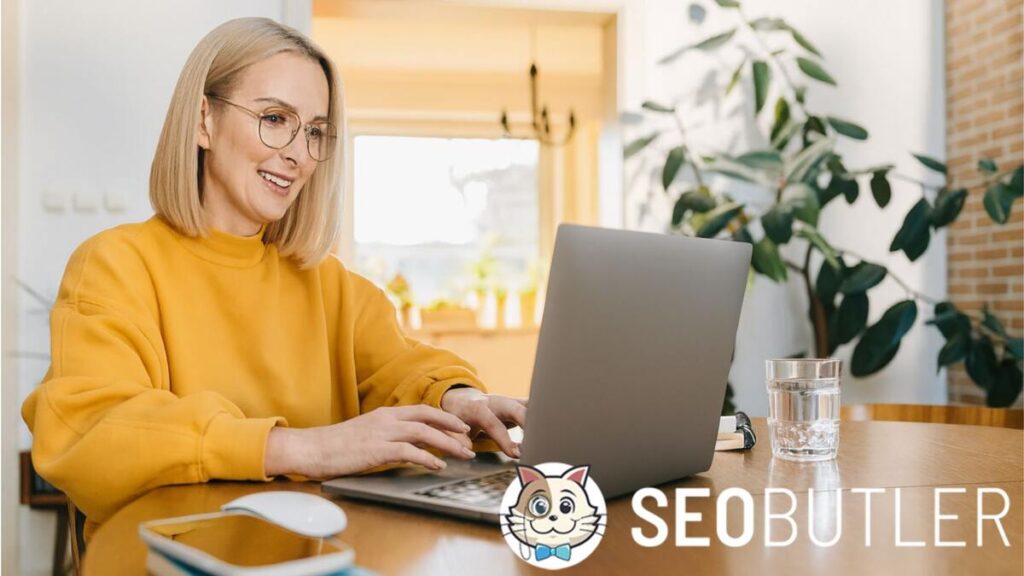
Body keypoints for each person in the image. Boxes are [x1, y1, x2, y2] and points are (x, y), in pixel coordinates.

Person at [21, 17, 527, 533]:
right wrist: (300, 448)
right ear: (203, 121)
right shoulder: (115, 265)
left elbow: (403, 369)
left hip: (317, 556)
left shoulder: (329, 285)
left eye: (314, 131)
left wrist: (457, 398)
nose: (298, 154)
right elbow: (90, 431)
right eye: (275, 118)